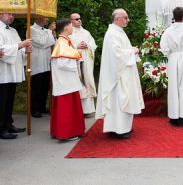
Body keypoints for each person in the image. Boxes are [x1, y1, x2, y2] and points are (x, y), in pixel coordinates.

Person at [95, 9, 144, 139]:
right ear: (117, 19)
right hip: (117, 75)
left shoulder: (118, 32)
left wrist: (130, 50)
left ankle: (122, 127)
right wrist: (132, 51)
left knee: (122, 99)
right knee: (118, 100)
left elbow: (121, 51)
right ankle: (118, 129)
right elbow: (117, 54)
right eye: (126, 17)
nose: (128, 20)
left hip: (122, 72)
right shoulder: (112, 33)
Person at [50, 19, 85, 141]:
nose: (72, 28)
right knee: (66, 108)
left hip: (68, 81)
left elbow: (69, 56)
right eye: (71, 26)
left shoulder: (65, 41)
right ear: (65, 28)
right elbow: (62, 63)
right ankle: (66, 133)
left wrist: (76, 55)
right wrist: (77, 56)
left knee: (69, 107)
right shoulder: (61, 43)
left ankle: (68, 130)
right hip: (65, 81)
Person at [160, 7, 183, 127]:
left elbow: (163, 48)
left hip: (174, 58)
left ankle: (174, 116)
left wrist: (172, 52)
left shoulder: (168, 31)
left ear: (174, 17)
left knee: (173, 87)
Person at [0, 13, 31, 139]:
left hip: (13, 71)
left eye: (13, 14)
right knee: (1, 101)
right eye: (8, 13)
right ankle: (1, 128)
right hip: (2, 71)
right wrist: (20, 46)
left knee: (9, 99)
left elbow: (20, 47)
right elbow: (1, 50)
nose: (11, 16)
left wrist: (25, 51)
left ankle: (8, 123)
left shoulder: (13, 30)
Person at [69, 13, 97, 117]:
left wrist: (87, 45)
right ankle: (77, 109)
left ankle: (88, 109)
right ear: (71, 21)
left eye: (80, 18)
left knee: (87, 82)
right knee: (78, 83)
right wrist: (76, 46)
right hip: (75, 63)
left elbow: (93, 45)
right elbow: (65, 47)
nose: (79, 20)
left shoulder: (86, 32)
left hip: (86, 62)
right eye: (76, 19)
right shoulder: (69, 33)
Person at [30, 17, 56, 118]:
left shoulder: (46, 30)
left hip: (47, 61)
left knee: (45, 87)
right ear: (38, 19)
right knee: (36, 87)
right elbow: (42, 43)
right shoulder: (31, 29)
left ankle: (41, 106)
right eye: (45, 18)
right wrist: (50, 31)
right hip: (37, 62)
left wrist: (52, 35)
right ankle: (34, 109)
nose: (47, 20)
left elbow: (52, 42)